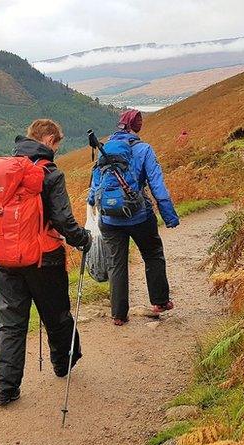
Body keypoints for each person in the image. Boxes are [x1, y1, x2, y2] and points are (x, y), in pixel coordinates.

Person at [0, 119, 91, 405]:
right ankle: (64, 364)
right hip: (44, 258)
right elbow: (62, 220)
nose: (57, 149)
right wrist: (83, 239)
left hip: (6, 257)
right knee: (56, 314)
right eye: (57, 143)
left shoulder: (5, 171)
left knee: (9, 324)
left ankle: (4, 389)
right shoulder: (50, 173)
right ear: (48, 139)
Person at [88, 109, 179, 326]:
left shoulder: (105, 149)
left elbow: (94, 188)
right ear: (135, 127)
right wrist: (169, 217)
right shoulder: (144, 150)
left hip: (109, 218)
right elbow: (158, 186)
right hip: (138, 215)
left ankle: (119, 315)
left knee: (116, 264)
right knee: (153, 254)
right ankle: (160, 301)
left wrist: (94, 205)